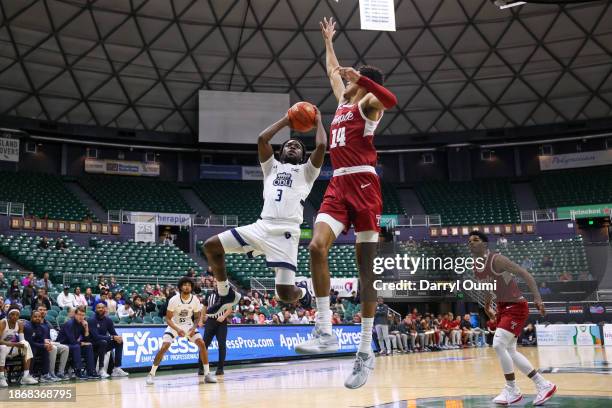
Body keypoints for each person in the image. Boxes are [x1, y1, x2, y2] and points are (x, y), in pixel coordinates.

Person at [296, 16, 398, 390]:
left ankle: (364, 351)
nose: (344, 82)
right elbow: (330, 71)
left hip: (365, 184)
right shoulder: (343, 99)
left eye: (352, 80)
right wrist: (328, 42)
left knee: (365, 271)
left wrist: (364, 80)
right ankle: (324, 329)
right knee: (316, 245)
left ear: (361, 83)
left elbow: (391, 99)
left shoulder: (369, 103)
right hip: (338, 184)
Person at [203, 106, 327, 319]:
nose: (292, 147)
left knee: (286, 295)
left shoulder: (307, 172)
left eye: (297, 146)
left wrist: (318, 121)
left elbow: (322, 145)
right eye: (288, 145)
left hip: (286, 232)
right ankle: (225, 293)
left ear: (303, 155)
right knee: (211, 246)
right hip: (261, 226)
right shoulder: (271, 167)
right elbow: (262, 139)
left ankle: (304, 290)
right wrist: (286, 120)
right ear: (280, 153)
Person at [468, 231, 556, 405]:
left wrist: (537, 298)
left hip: (515, 306)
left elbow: (525, 274)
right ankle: (543, 384)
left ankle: (512, 389)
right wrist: (487, 306)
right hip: (503, 308)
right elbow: (488, 288)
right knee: (510, 351)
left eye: (475, 240)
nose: (471, 243)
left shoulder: (497, 260)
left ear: (485, 244)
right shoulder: (476, 266)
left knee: (499, 344)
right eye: (469, 241)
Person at [147, 277, 216, 385]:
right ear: (180, 287)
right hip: (174, 325)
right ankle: (151, 374)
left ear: (191, 287)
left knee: (202, 344)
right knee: (164, 347)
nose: (187, 286)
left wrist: (193, 328)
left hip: (188, 325)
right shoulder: (174, 300)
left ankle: (207, 374)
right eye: (184, 284)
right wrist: (177, 329)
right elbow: (168, 319)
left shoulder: (195, 300)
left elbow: (197, 317)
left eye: (189, 285)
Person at [57, 306, 99, 380]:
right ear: (75, 315)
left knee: (88, 346)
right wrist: (82, 343)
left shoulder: (82, 323)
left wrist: (86, 328)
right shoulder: (69, 324)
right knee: (77, 346)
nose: (81, 317)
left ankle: (91, 371)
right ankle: (78, 372)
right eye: (79, 314)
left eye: (83, 315)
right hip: (63, 345)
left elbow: (87, 340)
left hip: (73, 345)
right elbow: (72, 341)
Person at [88, 302, 129, 378]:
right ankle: (101, 370)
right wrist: (113, 337)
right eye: (98, 307)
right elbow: (96, 336)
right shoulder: (91, 320)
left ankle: (116, 368)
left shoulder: (108, 320)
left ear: (106, 309)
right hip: (92, 344)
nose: (100, 309)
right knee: (103, 342)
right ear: (95, 309)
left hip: (104, 343)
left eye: (102, 307)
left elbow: (113, 333)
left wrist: (118, 338)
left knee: (119, 342)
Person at [0, 306, 39, 386]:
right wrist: (14, 344)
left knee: (26, 344)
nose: (15, 316)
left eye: (17, 315)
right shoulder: (3, 323)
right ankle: (1, 377)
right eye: (12, 314)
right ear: (8, 315)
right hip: (2, 347)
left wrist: (22, 343)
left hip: (10, 347)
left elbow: (22, 339)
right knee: (3, 348)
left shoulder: (20, 324)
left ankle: (25, 376)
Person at [199, 279, 231, 377]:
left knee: (222, 345)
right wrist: (201, 320)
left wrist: (224, 316)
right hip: (210, 322)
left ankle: (220, 368)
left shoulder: (226, 295)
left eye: (219, 283)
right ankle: (201, 368)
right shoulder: (209, 294)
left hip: (221, 323)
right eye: (216, 283)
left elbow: (229, 308)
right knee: (204, 345)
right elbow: (204, 307)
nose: (217, 284)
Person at [35, 305, 69, 378]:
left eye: (44, 310)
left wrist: (51, 341)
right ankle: (51, 373)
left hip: (49, 342)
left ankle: (60, 372)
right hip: (39, 345)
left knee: (65, 348)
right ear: (36, 311)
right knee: (53, 348)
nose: (42, 311)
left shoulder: (48, 323)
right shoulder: (35, 322)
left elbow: (52, 336)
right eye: (40, 309)